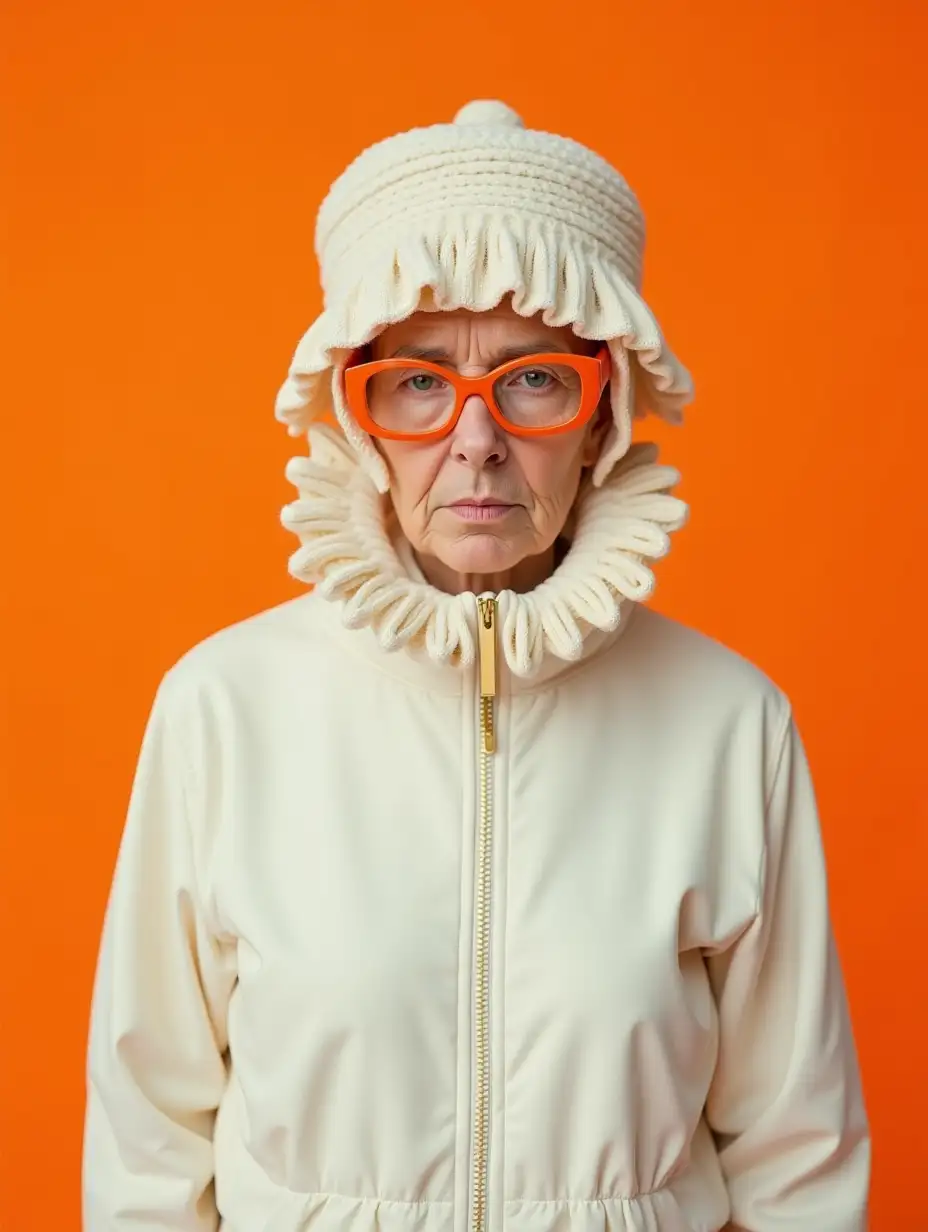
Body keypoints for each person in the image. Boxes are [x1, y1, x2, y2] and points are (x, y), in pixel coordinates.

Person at [82, 100, 870, 1232]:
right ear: (355, 415)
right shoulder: (223, 706)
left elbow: (799, 1154)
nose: (475, 438)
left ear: (604, 409)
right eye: (416, 382)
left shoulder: (728, 722)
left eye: (533, 377)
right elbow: (147, 1142)